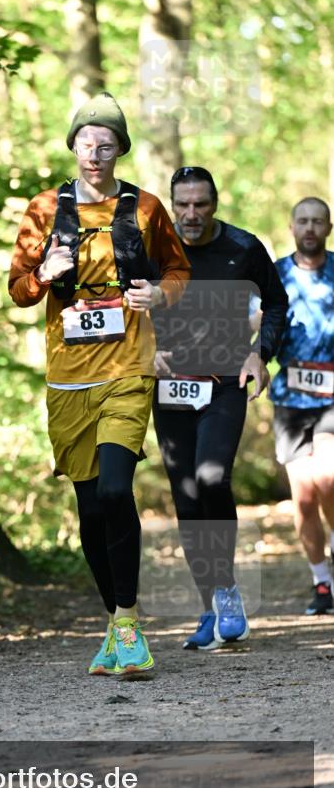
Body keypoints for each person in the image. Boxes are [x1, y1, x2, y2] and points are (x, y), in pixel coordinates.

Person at [8, 92, 190, 676]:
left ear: (119, 150)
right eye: (87, 143)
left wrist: (160, 294)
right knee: (89, 509)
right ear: (74, 147)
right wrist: (43, 274)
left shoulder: (145, 208)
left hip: (129, 366)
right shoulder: (42, 210)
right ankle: (116, 620)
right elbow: (16, 288)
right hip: (67, 378)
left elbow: (177, 269)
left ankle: (130, 622)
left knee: (115, 491)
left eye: (106, 144)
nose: (95, 153)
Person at [152, 167, 288, 651]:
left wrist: (259, 352)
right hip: (169, 389)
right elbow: (128, 307)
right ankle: (210, 604)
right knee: (187, 499)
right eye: (183, 204)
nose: (192, 214)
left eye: (201, 204)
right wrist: (146, 348)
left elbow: (276, 303)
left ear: (214, 203)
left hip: (225, 383)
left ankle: (227, 590)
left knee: (211, 479)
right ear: (172, 204)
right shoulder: (155, 248)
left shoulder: (243, 248)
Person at [270, 197, 334, 614]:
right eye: (302, 221)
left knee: (329, 479)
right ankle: (321, 583)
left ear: (328, 228)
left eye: (317, 222)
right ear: (292, 227)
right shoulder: (275, 274)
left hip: (333, 393)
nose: (309, 228)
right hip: (290, 397)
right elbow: (258, 326)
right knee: (305, 496)